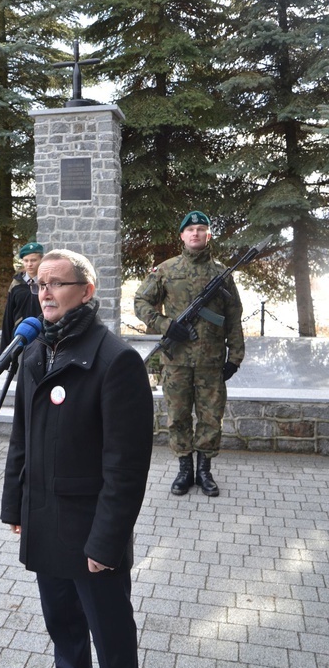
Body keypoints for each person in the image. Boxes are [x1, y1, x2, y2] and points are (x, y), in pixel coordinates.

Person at [1, 249, 154, 668]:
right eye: (39, 283)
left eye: (55, 283)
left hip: (91, 531)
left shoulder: (116, 360)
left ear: (86, 292)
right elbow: (21, 438)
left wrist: (106, 542)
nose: (43, 292)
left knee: (110, 637)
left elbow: (126, 467)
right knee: (63, 628)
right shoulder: (33, 353)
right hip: (46, 520)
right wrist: (17, 505)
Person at [134, 210, 245, 497]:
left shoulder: (222, 273)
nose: (195, 233)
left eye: (201, 229)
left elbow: (233, 316)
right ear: (181, 235)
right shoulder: (166, 270)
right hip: (177, 361)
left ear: (208, 235)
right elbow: (141, 301)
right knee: (178, 416)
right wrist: (166, 325)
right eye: (190, 229)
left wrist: (235, 357)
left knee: (210, 417)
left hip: (211, 362)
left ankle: (204, 471)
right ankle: (185, 470)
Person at [0, 241, 43, 351]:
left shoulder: (47, 283)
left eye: (33, 260)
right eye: (26, 260)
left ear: (41, 260)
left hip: (42, 337)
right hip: (19, 338)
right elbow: (8, 317)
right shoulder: (16, 284)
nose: (29, 264)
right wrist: (4, 351)